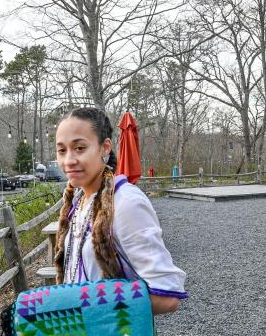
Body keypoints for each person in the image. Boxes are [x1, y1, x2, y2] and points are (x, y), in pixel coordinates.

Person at [53, 107, 187, 314]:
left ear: (105, 147)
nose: (69, 160)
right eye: (62, 150)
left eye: (80, 148)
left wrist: (88, 308)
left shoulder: (125, 202)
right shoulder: (78, 199)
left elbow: (167, 298)